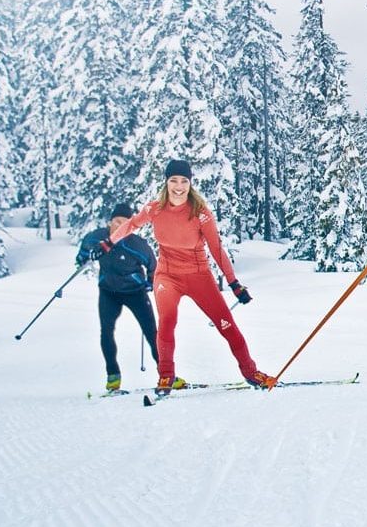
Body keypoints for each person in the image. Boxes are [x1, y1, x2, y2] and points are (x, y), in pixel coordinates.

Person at [95, 160, 274, 395]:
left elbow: (217, 249)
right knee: (167, 323)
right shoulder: (155, 209)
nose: (179, 186)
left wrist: (234, 283)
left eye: (184, 181)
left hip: (199, 275)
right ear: (166, 183)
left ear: (190, 184)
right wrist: (110, 242)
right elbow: (131, 225)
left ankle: (251, 372)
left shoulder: (201, 214)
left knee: (226, 325)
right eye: (173, 181)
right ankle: (166, 377)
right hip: (167, 275)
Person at [77, 203, 160, 392]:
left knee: (151, 332)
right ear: (110, 222)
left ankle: (166, 373)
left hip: (135, 292)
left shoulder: (137, 244)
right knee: (106, 331)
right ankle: (113, 376)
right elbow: (83, 252)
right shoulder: (97, 238)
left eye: (125, 223)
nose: (120, 227)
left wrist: (150, 282)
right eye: (117, 222)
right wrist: (84, 257)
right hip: (108, 291)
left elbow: (152, 265)